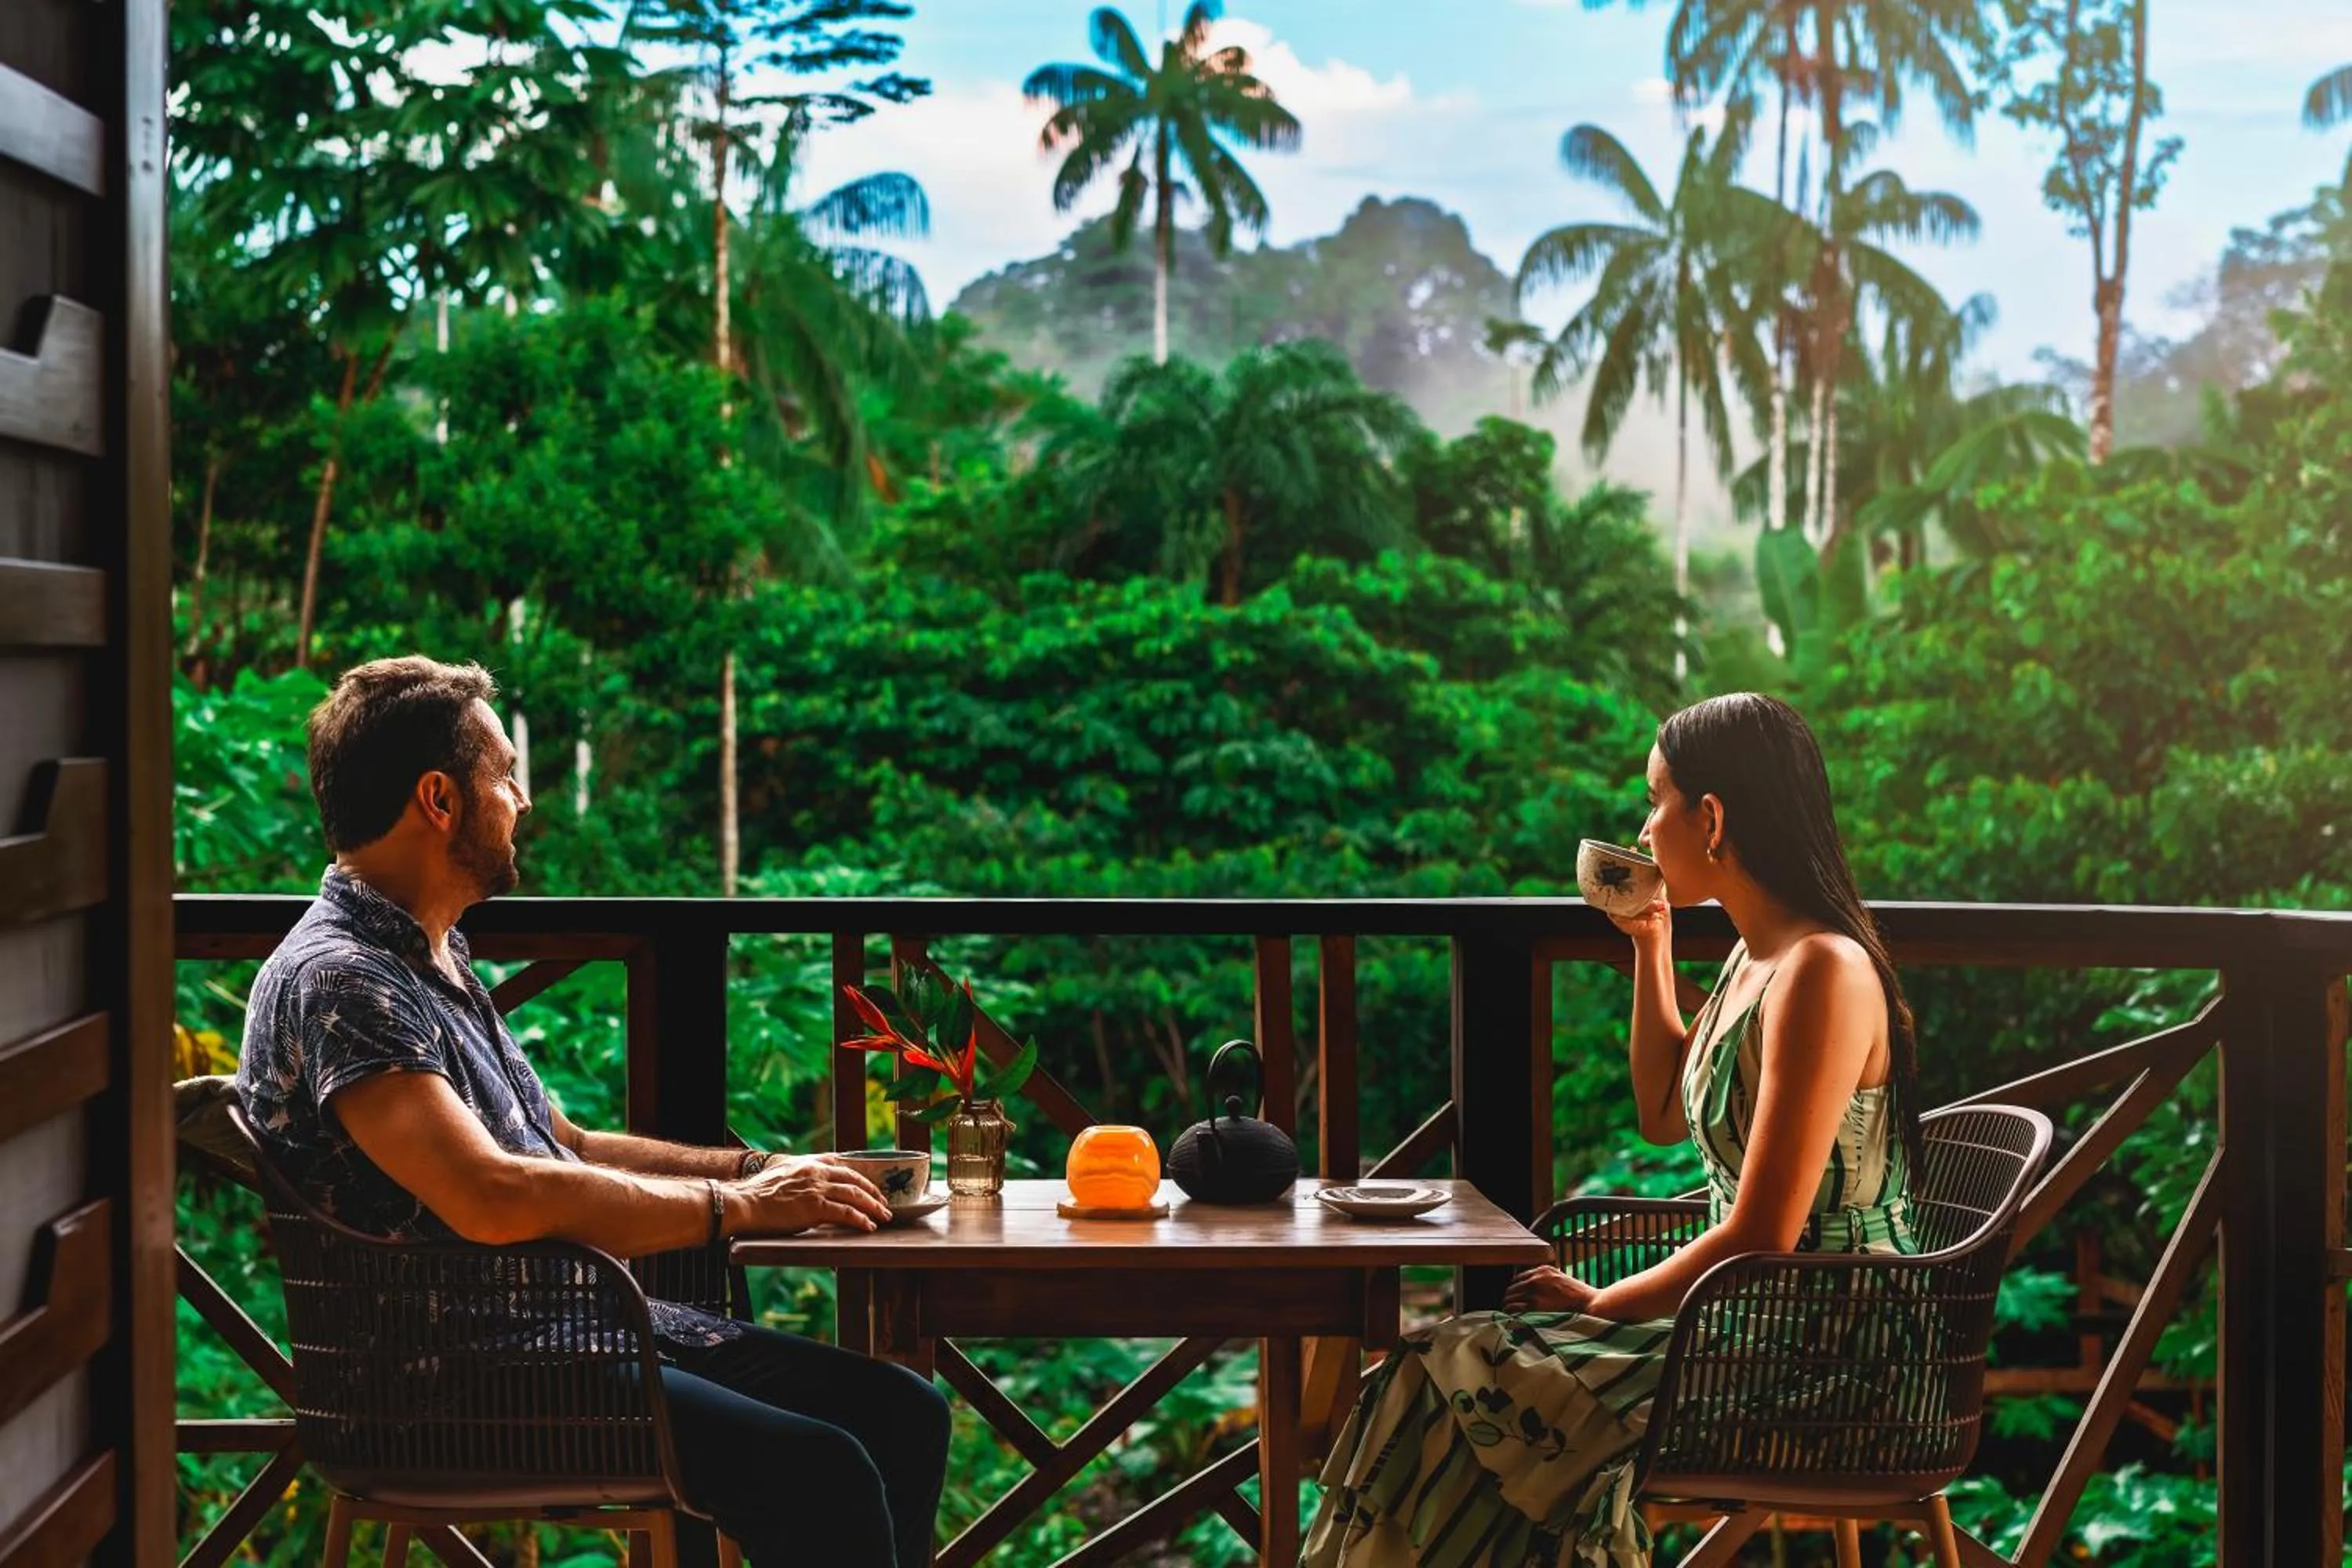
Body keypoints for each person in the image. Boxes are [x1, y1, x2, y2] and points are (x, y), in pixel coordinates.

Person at [234, 656, 949, 1568]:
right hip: (456, 1378)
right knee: (819, 1469)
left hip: (568, 1333)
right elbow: (491, 1193)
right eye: (505, 773)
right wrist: (738, 1212)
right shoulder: (343, 978)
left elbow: (560, 1142)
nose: (523, 798)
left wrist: (752, 1170)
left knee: (901, 1412)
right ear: (439, 798)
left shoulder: (430, 954)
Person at [1303, 692, 1925, 1568]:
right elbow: (1664, 1112)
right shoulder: (1758, 957)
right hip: (1743, 1320)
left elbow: (1762, 1231)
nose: (1641, 826)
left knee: (1452, 1377)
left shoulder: (1823, 970)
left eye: (1656, 797)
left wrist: (1602, 1304)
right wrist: (1650, 942)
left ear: (1711, 818)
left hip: (1824, 1345)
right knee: (1440, 1378)